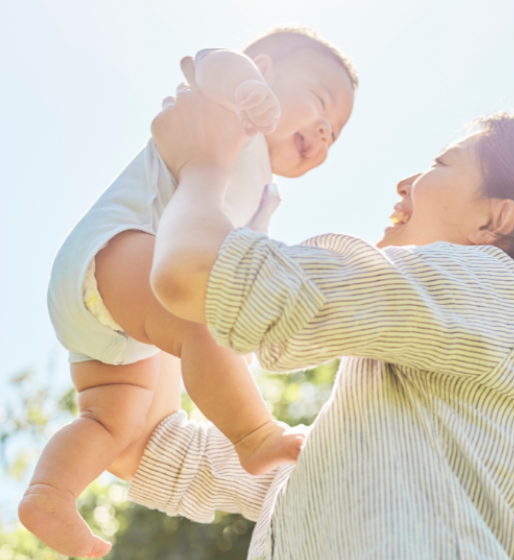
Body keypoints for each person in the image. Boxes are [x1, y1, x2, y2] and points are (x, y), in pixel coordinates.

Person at [113, 66, 514, 560]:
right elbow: (148, 446)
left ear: (494, 221)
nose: (406, 181)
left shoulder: (502, 292)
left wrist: (200, 167)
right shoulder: (369, 441)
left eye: (440, 164)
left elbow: (205, 275)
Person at [19, 26, 357, 559]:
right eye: (319, 102)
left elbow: (240, 267)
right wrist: (242, 85)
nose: (323, 130)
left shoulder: (265, 195)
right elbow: (208, 61)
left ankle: (49, 494)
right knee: (202, 316)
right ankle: (254, 437)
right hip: (118, 251)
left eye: (334, 133)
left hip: (114, 315)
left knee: (112, 420)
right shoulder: (230, 110)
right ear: (265, 70)